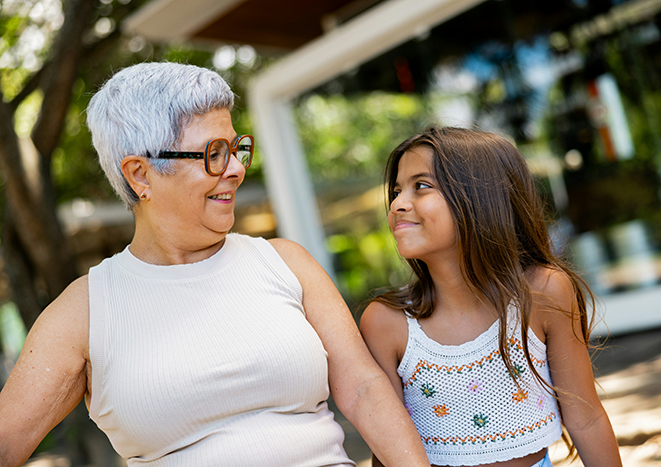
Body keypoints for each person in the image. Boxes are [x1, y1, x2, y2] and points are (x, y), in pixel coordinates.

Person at [0, 62, 431, 467]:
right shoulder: (86, 311)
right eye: (213, 153)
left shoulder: (284, 262)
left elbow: (363, 388)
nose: (236, 170)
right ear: (140, 176)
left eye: (236, 149)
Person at [360, 127, 622, 467]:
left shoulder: (543, 293)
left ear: (479, 198)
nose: (397, 204)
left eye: (421, 186)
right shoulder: (385, 323)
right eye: (396, 191)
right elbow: (386, 452)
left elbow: (587, 419)